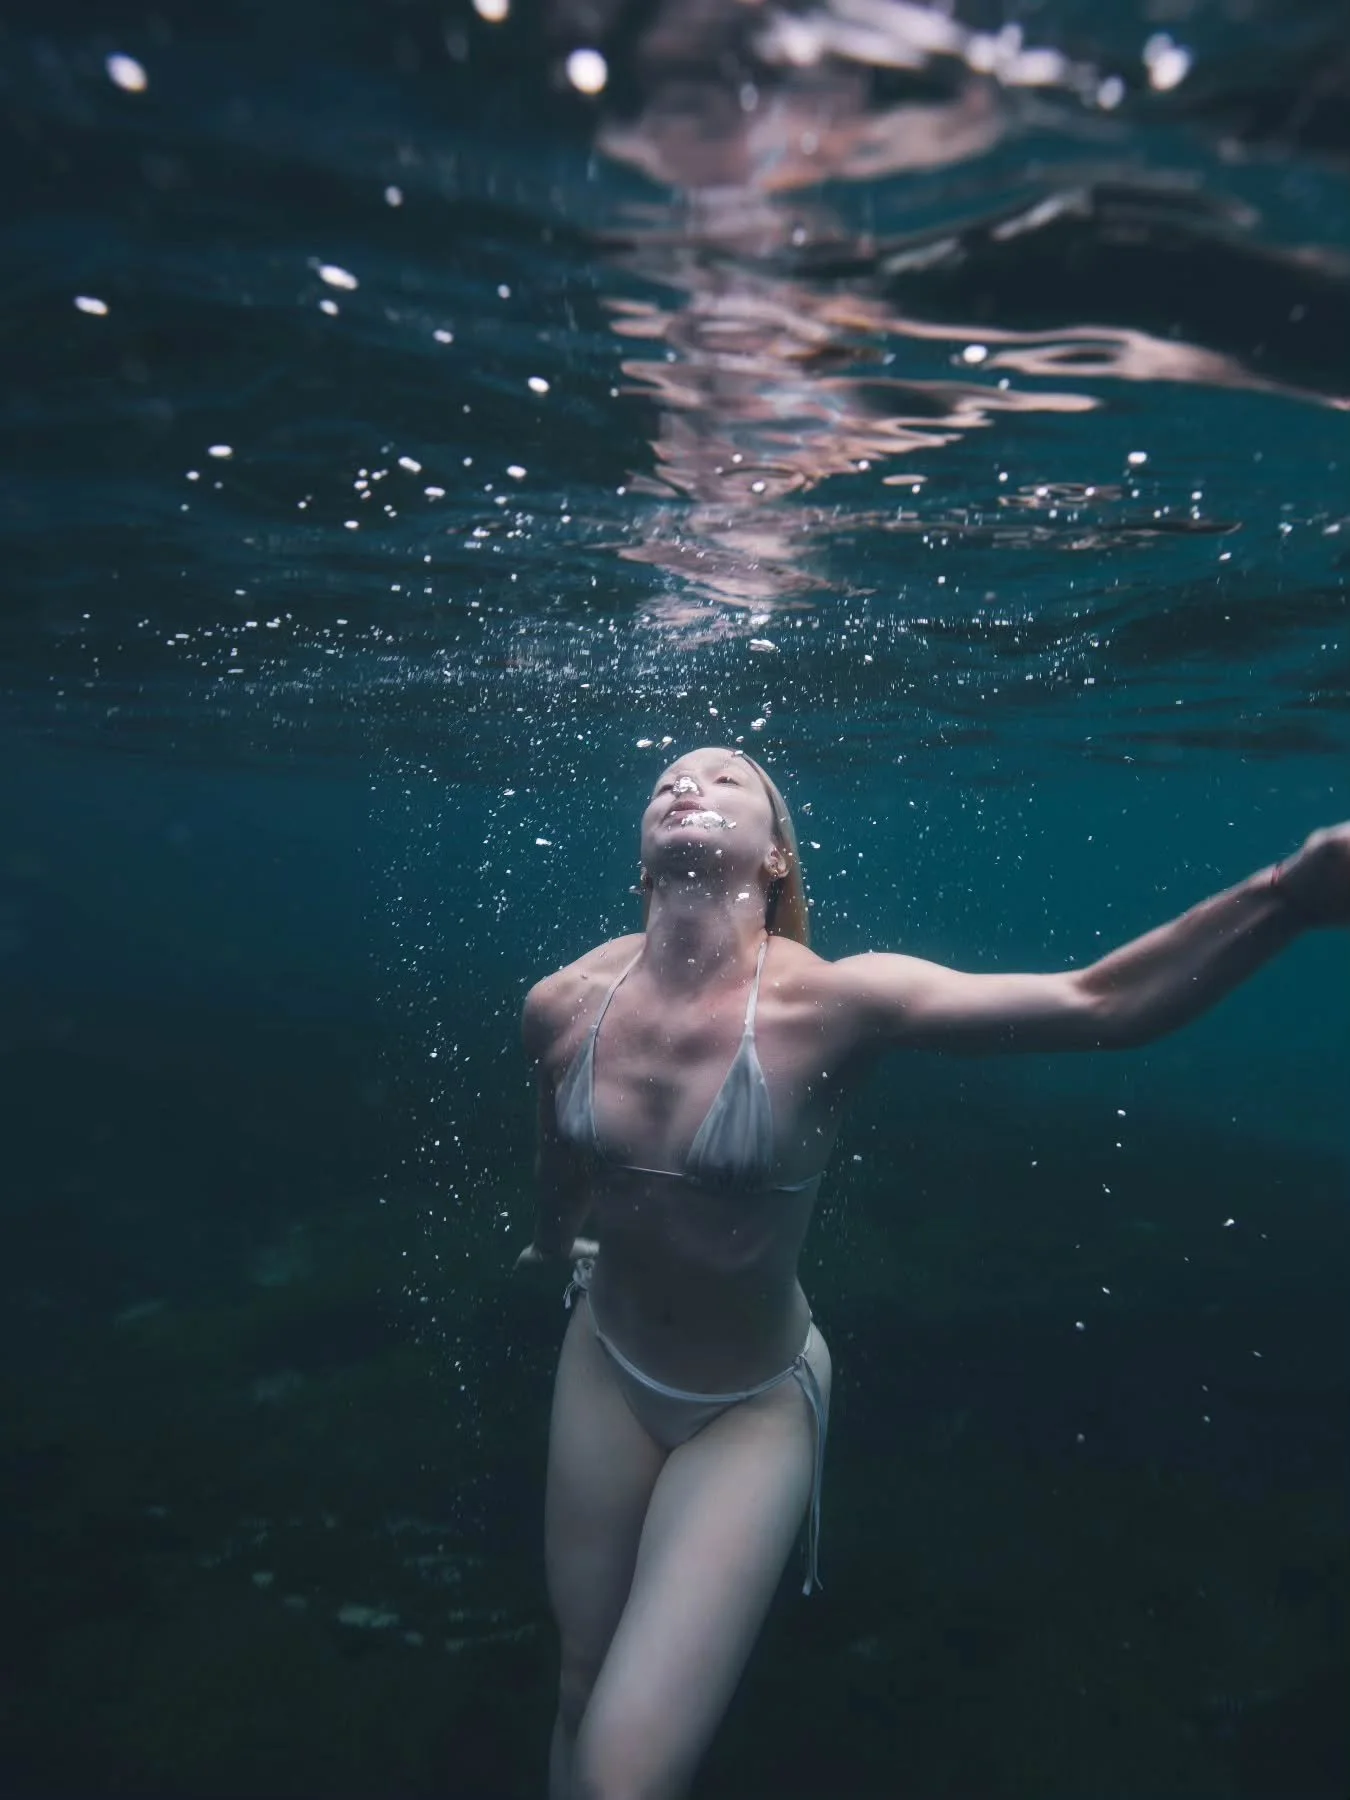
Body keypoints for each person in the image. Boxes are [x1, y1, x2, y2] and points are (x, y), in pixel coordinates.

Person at [516, 744, 1348, 1800]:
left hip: (747, 1405)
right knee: (579, 1683)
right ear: (640, 857)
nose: (689, 784)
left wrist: (1286, 901)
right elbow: (557, 1148)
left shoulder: (836, 1006)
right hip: (602, 1363)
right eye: (668, 778)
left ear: (776, 857)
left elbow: (1097, 1006)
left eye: (730, 780)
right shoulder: (562, 1002)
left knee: (622, 1780)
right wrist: (555, 1242)